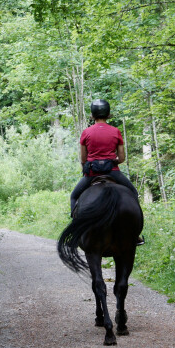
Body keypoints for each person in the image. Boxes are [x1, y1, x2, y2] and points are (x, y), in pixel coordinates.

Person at [70, 99, 144, 245]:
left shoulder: (86, 132)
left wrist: (89, 166)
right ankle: (135, 234)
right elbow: (122, 158)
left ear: (93, 115)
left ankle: (75, 232)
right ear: (108, 114)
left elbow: (83, 159)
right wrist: (112, 161)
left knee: (74, 196)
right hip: (113, 172)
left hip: (92, 174)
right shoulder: (115, 131)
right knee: (133, 194)